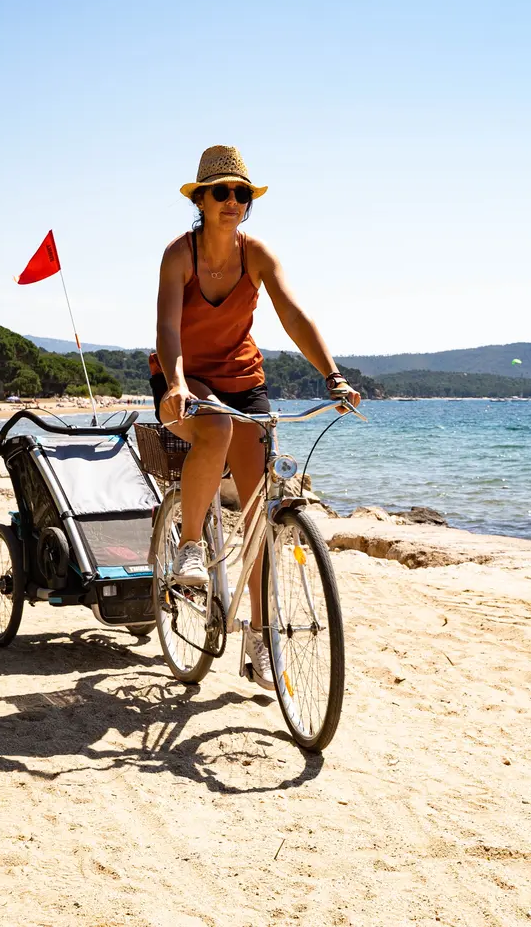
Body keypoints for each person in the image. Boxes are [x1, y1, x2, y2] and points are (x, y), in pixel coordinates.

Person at [149, 144, 359, 691]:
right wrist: (174, 386)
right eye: (221, 191)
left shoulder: (256, 254)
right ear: (201, 198)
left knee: (261, 510)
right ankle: (191, 546)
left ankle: (260, 636)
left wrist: (333, 376)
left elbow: (292, 313)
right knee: (214, 430)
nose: (232, 201)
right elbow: (168, 331)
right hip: (183, 380)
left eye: (242, 193)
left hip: (243, 381)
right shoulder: (179, 255)